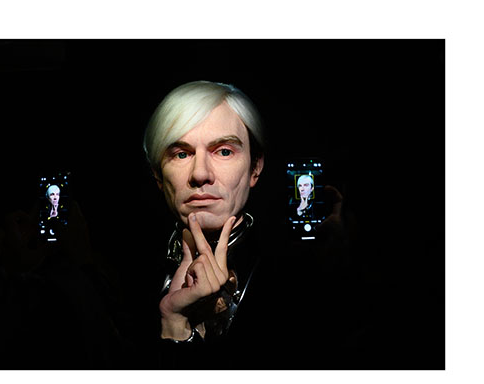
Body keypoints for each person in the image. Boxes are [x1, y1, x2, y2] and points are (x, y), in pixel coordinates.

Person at [142, 80, 365, 369]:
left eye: (224, 151)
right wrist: (174, 322)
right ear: (158, 175)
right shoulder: (120, 278)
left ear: (255, 167)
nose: (200, 174)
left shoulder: (300, 277)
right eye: (181, 154)